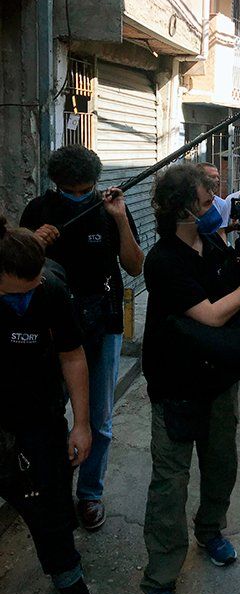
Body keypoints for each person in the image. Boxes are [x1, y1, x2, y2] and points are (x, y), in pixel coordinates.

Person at [141, 162, 240, 594]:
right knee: (170, 485)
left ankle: (211, 530)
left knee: (221, 464)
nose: (214, 202)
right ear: (185, 208)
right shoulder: (163, 261)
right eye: (206, 196)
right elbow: (212, 315)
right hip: (176, 386)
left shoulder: (211, 240)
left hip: (217, 380)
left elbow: (227, 287)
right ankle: (160, 578)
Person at [20, 145, 143, 531]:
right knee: (50, 414)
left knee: (99, 418)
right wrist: (32, 242)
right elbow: (15, 270)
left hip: (101, 324)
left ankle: (90, 494)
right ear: (55, 184)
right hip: (50, 329)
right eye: (69, 189)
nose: (77, 195)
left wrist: (121, 220)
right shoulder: (38, 210)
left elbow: (135, 266)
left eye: (84, 189)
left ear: (95, 182)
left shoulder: (109, 208)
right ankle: (53, 490)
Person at [0, 217, 93, 594]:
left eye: (37, 280)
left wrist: (82, 423)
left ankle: (67, 575)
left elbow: (72, 355)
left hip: (41, 414)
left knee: (52, 505)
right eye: (21, 289)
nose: (33, 290)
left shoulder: (50, 288)